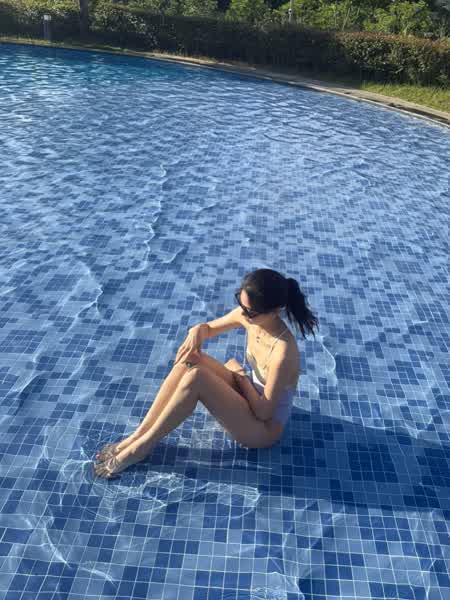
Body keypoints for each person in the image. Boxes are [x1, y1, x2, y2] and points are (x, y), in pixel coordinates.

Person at [94, 269, 319, 478]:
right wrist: (196, 331)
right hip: (250, 396)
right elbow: (208, 329)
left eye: (249, 312)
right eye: (240, 304)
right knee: (190, 359)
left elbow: (263, 412)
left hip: (263, 429)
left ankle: (142, 447)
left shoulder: (283, 352)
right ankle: (139, 434)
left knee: (197, 378)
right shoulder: (248, 315)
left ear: (275, 311)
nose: (243, 314)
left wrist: (240, 377)